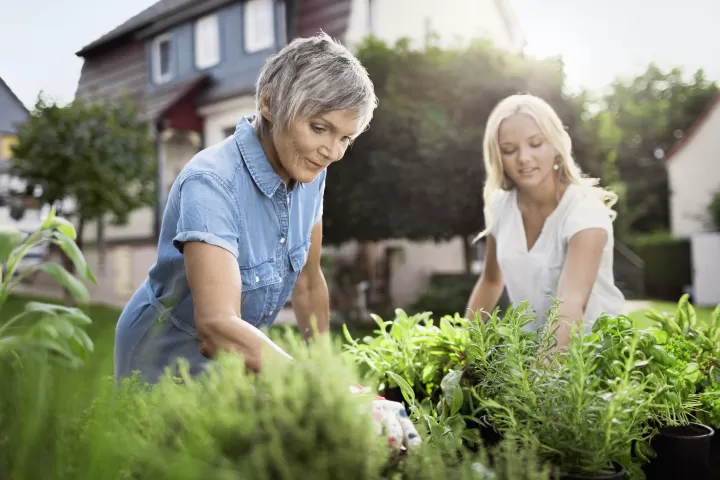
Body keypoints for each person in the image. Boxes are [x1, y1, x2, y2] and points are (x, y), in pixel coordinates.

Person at [465, 93, 625, 348]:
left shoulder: (584, 211)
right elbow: (491, 281)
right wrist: (462, 348)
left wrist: (540, 378)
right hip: (531, 355)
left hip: (595, 358)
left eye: (536, 143)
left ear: (555, 146)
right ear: (498, 157)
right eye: (509, 149)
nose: (524, 158)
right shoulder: (499, 206)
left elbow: (571, 303)